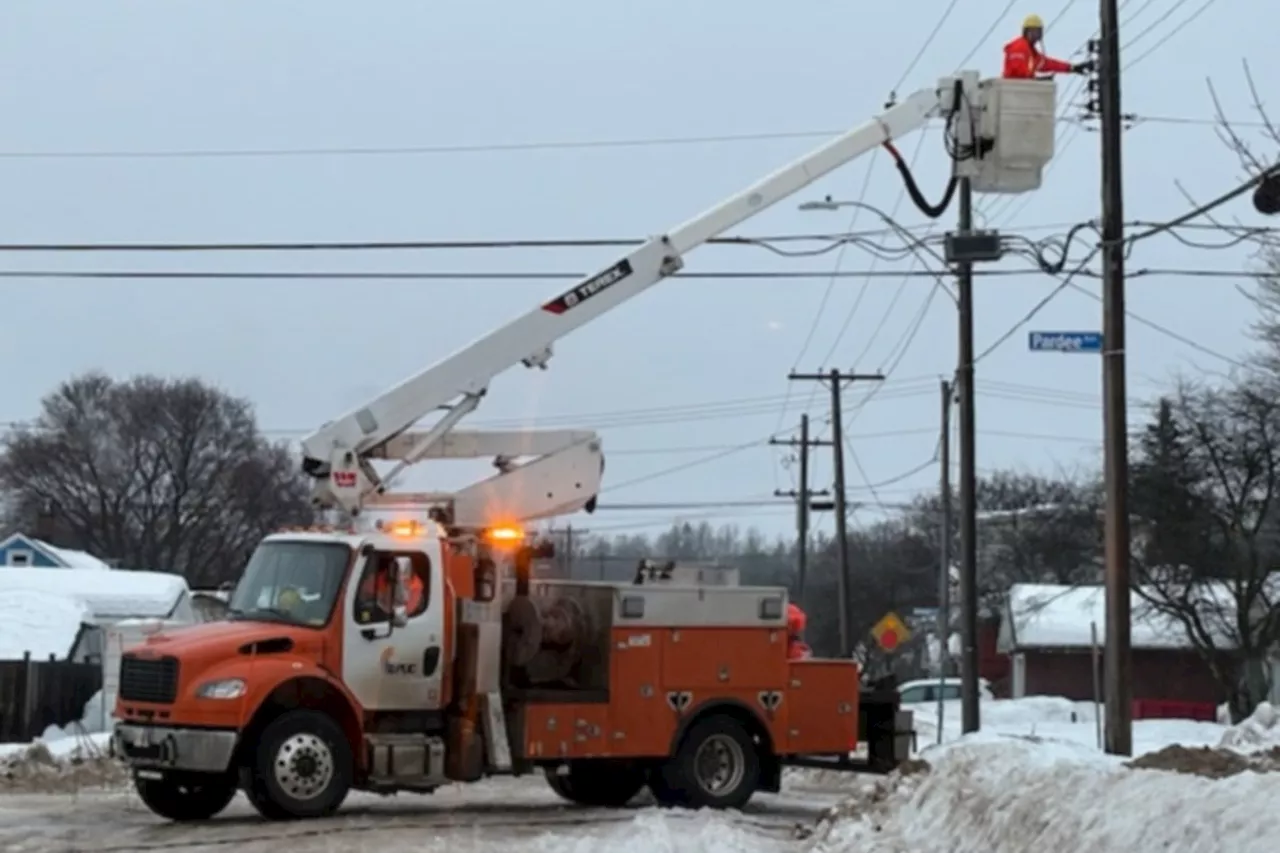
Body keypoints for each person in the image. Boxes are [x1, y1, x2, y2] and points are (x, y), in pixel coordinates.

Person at [1003, 14, 1093, 79]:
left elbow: (1046, 64)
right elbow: (1018, 73)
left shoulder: (1031, 52)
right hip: (1012, 91)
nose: (1039, 35)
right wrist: (1037, 80)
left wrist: (1072, 68)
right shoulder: (1019, 47)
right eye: (1037, 31)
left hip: (1020, 92)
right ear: (1029, 31)